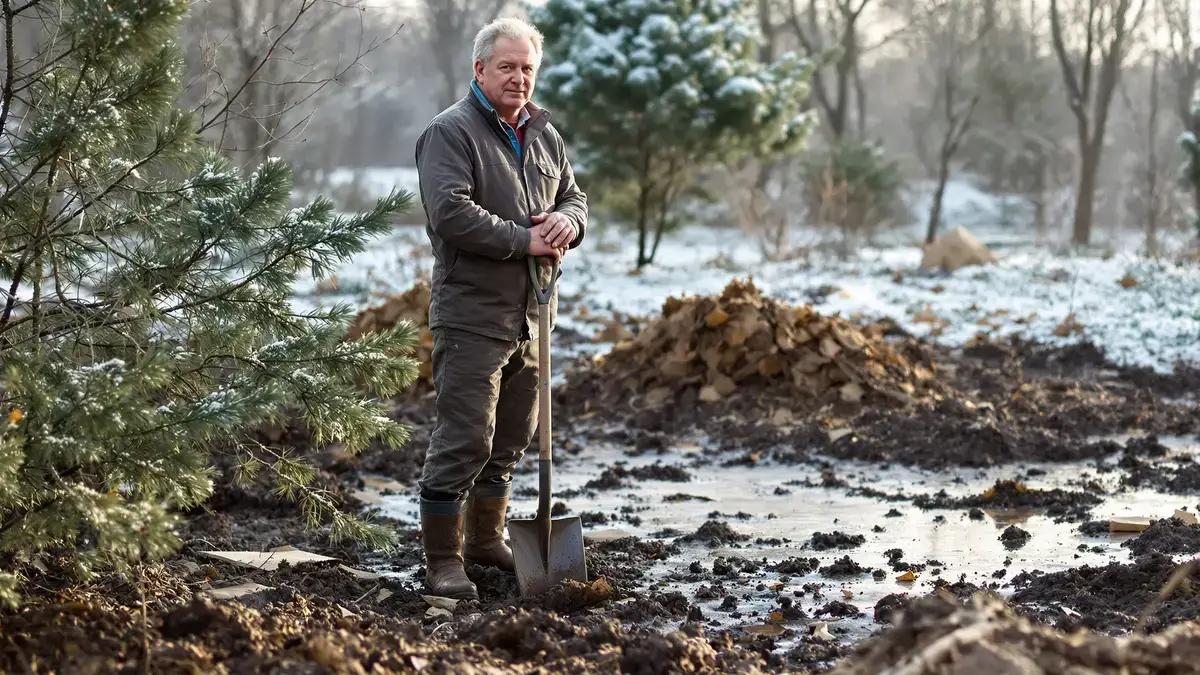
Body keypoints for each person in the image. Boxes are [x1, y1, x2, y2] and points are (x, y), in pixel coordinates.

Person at [412, 16, 588, 600]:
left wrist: (568, 221)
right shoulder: (451, 133)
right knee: (466, 437)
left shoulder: (544, 133)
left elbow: (573, 196)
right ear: (480, 69)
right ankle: (442, 559)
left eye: (527, 68)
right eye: (507, 67)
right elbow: (449, 212)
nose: (519, 78)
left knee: (513, 436)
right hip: (473, 313)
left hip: (534, 313)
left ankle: (487, 540)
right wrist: (525, 239)